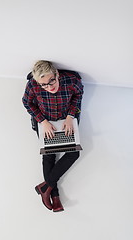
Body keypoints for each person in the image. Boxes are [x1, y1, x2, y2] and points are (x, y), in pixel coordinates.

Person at [22, 60, 84, 212]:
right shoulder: (33, 84)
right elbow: (27, 102)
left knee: (73, 153)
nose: (50, 87)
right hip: (46, 123)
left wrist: (70, 116)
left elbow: (78, 94)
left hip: (66, 121)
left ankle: (45, 187)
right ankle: (54, 195)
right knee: (49, 155)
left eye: (52, 81)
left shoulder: (71, 80)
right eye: (44, 85)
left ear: (56, 74)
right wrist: (42, 121)